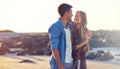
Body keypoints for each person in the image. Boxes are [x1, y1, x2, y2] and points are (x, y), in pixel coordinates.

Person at [48, 3, 73, 69]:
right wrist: (60, 66)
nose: (72, 15)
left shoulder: (69, 27)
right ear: (66, 13)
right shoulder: (56, 27)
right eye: (71, 12)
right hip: (61, 64)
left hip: (70, 63)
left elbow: (80, 25)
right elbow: (54, 48)